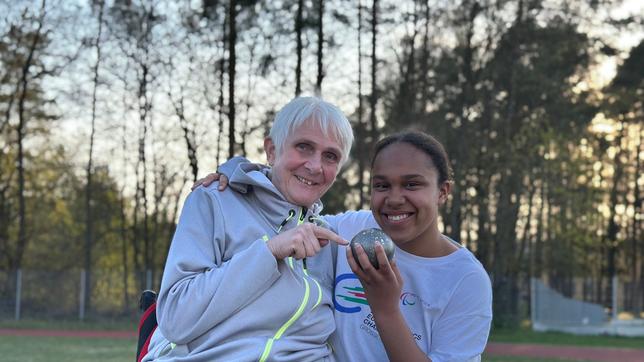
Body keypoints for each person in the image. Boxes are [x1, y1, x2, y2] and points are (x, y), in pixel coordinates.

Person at [201, 131, 493, 361]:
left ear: (443, 192)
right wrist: (238, 179)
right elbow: (282, 209)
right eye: (381, 186)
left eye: (412, 185)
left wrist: (386, 308)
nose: (394, 198)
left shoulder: (466, 280)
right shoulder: (351, 229)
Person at [142, 96, 354, 361]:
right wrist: (269, 252)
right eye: (303, 147)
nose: (315, 166)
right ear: (272, 150)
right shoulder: (215, 199)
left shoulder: (331, 237)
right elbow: (175, 318)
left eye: (330, 156)